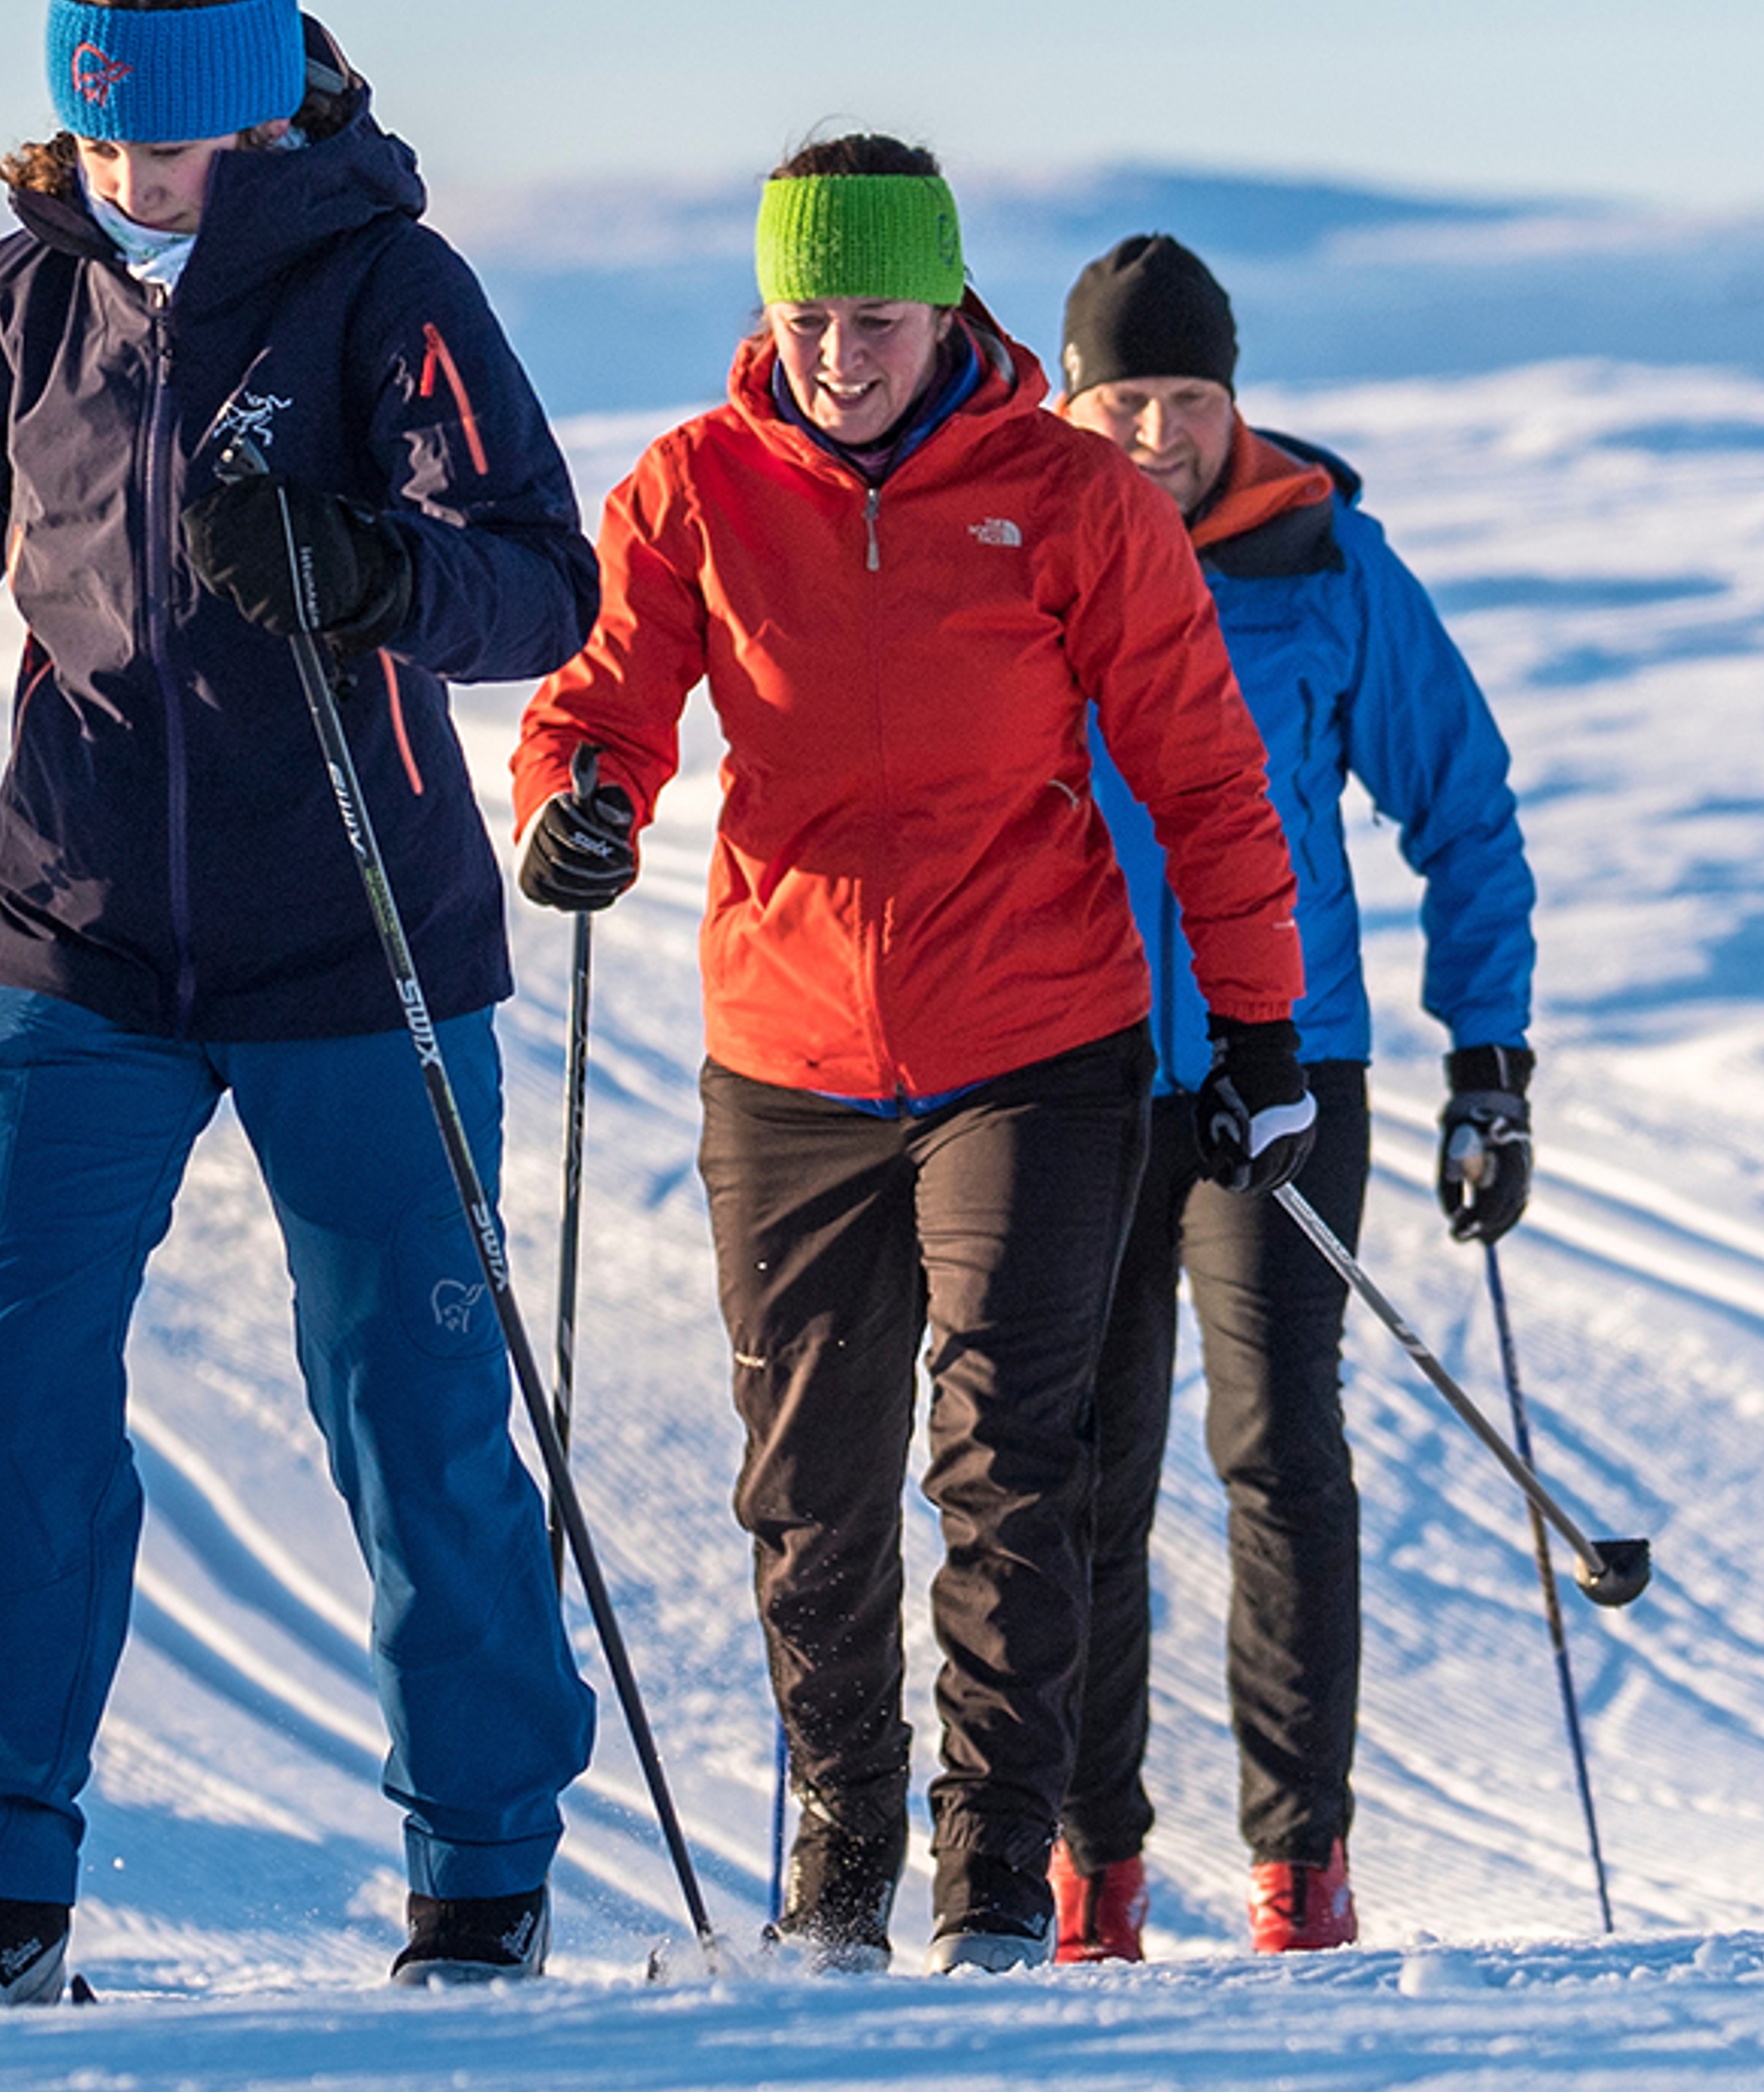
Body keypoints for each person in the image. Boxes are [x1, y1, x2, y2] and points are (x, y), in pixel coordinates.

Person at [0, 0, 598, 2005]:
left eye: (185, 132)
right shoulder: (14, 308)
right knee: (15, 1384)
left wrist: (377, 570)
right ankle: (1, 1883)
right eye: (109, 134)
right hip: (81, 937)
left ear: (266, 98)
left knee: (414, 1402)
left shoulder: (390, 284)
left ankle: (484, 1874)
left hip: (362, 937)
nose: (143, 175)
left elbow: (539, 582)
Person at [512, 139, 1311, 1975]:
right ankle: (844, 1858)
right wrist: (579, 802)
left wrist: (1260, 1023)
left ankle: (991, 1878)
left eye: (871, 320)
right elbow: (600, 702)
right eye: (806, 319)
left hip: (1033, 1038)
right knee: (807, 1482)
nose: (836, 357)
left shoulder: (1067, 496)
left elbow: (1201, 772)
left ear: (945, 306)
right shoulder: (698, 487)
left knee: (1011, 1458)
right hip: (786, 1055)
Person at [1053, 232, 1536, 1960]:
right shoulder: (1024, 550)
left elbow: (1461, 805)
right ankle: (1090, 1870)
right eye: (1128, 398)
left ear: (1232, 397)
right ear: (1076, 396)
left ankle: (1299, 1867)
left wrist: (1491, 1062)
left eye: (1191, 397)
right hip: (1076, 1064)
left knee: (1280, 1457)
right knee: (1079, 1468)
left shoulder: (1326, 563)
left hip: (1286, 1064)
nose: (1159, 432)